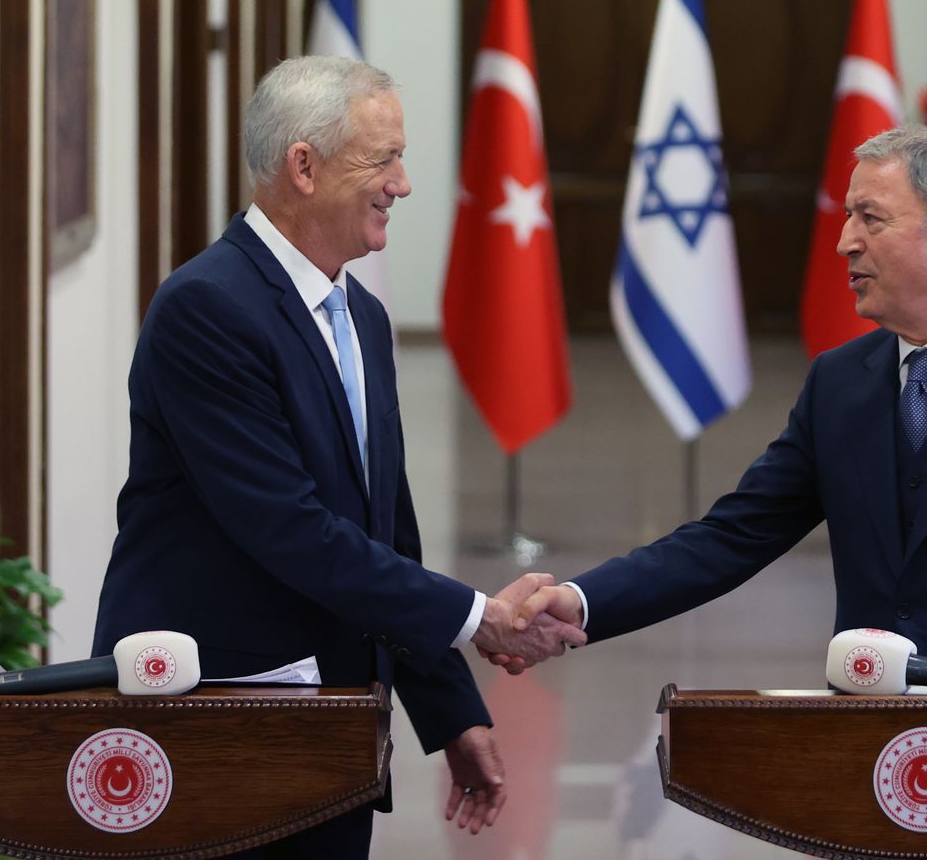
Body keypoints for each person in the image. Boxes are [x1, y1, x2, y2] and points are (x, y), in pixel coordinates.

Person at [93, 56, 581, 859]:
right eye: (382, 159)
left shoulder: (361, 315)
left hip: (334, 728)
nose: (404, 183)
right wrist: (476, 617)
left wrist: (449, 708)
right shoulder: (206, 310)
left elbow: (386, 528)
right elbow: (292, 529)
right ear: (305, 166)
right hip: (219, 726)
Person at [511, 125, 927, 684]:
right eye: (849, 216)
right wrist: (581, 600)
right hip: (869, 756)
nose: (845, 241)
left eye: (870, 218)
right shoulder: (841, 382)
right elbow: (732, 536)